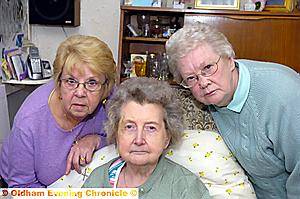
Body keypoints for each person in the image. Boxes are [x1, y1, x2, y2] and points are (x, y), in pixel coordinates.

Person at [165, 22, 300, 199]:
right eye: (191, 78)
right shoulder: (213, 98)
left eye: (208, 68)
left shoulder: (283, 94)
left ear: (230, 60)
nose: (203, 82)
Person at [0, 35, 116, 187]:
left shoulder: (112, 100)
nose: (80, 93)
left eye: (92, 82)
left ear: (105, 88)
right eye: (71, 81)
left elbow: (129, 139)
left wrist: (96, 140)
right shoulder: (29, 122)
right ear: (58, 83)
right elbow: (22, 188)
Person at [82, 77, 211, 199]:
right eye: (129, 127)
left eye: (151, 128)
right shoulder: (97, 180)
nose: (139, 140)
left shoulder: (185, 187)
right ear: (116, 134)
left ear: (167, 138)